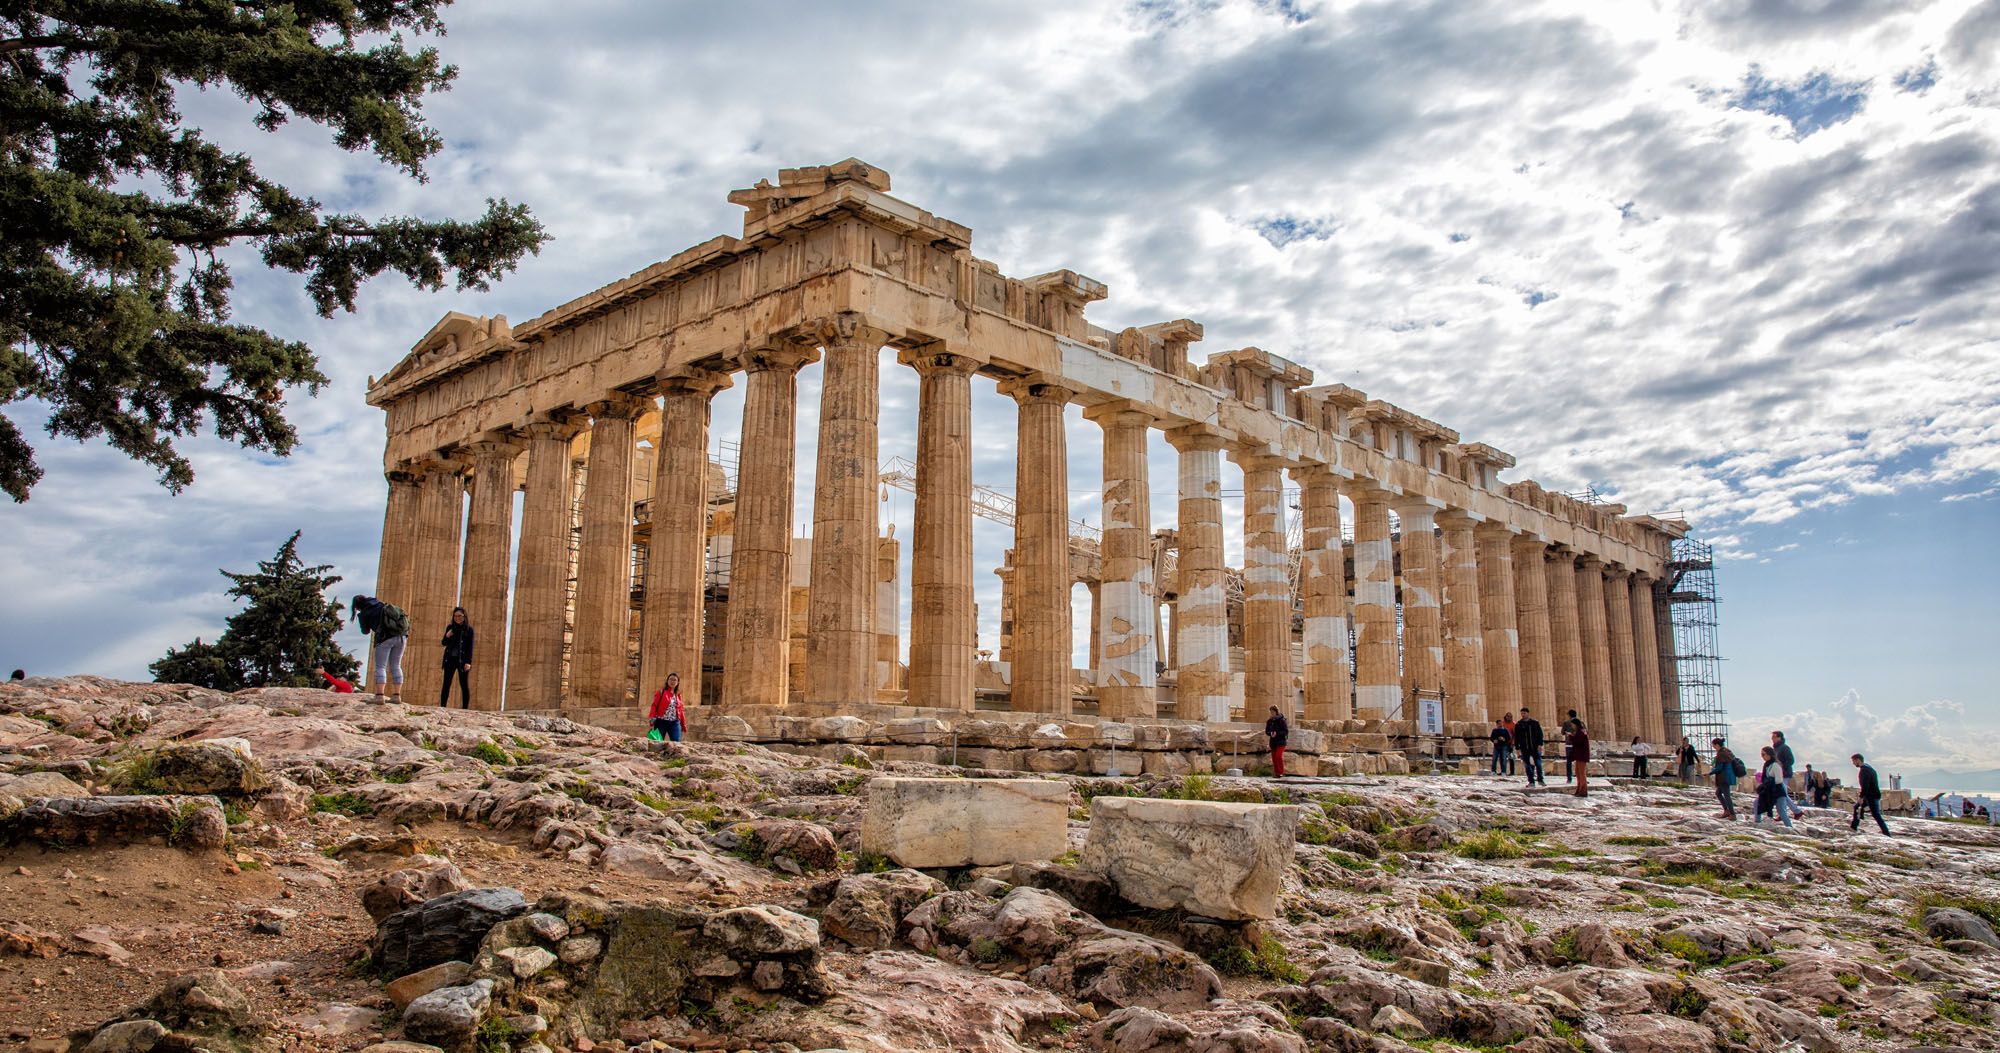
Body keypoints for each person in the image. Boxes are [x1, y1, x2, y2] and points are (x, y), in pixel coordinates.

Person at [351, 595, 409, 702]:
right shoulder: (381, 604)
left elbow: (365, 631)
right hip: (401, 636)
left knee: (380, 667)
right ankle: (397, 695)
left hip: (384, 639)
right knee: (396, 665)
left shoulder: (364, 613)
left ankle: (379, 695)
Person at [439, 607, 474, 708]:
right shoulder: (450, 628)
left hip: (462, 661)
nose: (457, 618)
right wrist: (447, 635)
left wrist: (468, 662)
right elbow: (444, 643)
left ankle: (465, 709)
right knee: (446, 683)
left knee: (464, 684)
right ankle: (443, 706)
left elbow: (470, 647)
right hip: (450, 659)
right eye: (455, 616)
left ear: (464, 617)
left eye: (459, 616)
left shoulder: (469, 630)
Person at [1850, 753, 1890, 835]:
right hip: (1872, 795)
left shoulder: (1864, 770)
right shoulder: (1869, 768)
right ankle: (1854, 826)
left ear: (1858, 760)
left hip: (1871, 796)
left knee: (1876, 815)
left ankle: (1886, 833)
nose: (1853, 763)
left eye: (1853, 761)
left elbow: (1865, 785)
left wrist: (1861, 797)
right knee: (1856, 807)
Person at [1753, 746, 1793, 829]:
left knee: (1781, 811)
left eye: (1763, 754)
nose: (1762, 757)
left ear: (1769, 754)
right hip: (1769, 790)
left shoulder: (1775, 765)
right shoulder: (1767, 765)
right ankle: (1757, 821)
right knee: (1757, 802)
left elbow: (1779, 780)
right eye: (1761, 754)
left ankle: (1790, 827)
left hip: (1777, 791)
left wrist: (1769, 782)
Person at [649, 672, 687, 742]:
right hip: (661, 721)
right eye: (670, 679)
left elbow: (680, 711)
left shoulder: (678, 696)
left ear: (678, 682)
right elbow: (654, 705)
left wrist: (683, 725)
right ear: (667, 681)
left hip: (674, 722)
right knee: (658, 741)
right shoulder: (661, 692)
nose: (672, 681)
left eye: (675, 680)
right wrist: (652, 717)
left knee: (676, 741)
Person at [1515, 709, 1547, 786]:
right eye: (1522, 713)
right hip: (1524, 747)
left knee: (1538, 764)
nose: (1523, 715)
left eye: (1524, 713)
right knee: (1527, 765)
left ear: (1528, 713)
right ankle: (1531, 781)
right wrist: (1517, 748)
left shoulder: (1535, 723)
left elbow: (1540, 734)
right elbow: (1516, 737)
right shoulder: (1519, 724)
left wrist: (1540, 744)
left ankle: (1540, 780)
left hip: (1535, 747)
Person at [1711, 738, 1739, 820]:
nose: (1713, 747)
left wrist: (1709, 773)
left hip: (1724, 778)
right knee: (1718, 793)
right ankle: (1726, 811)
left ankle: (1732, 814)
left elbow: (1719, 767)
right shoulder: (1727, 751)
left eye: (1713, 745)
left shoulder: (1721, 754)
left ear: (1717, 745)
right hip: (1728, 776)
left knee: (1727, 796)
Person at [1264, 706, 1289, 778]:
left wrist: (1277, 733)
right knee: (1274, 758)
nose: (1271, 713)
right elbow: (1267, 731)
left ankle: (1281, 772)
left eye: (1272, 712)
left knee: (1278, 756)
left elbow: (1285, 731)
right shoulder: (1269, 721)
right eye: (1270, 712)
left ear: (1276, 712)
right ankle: (1276, 773)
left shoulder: (1282, 720)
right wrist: (1271, 733)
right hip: (1273, 741)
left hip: (1281, 741)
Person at [1571, 720, 1591, 797]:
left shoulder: (1582, 732)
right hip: (1579, 755)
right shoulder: (1579, 732)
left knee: (1582, 773)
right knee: (1578, 772)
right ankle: (1579, 789)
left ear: (1576, 724)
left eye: (1572, 724)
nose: (1572, 726)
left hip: (1582, 755)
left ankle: (1583, 791)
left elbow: (1578, 742)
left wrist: (1571, 736)